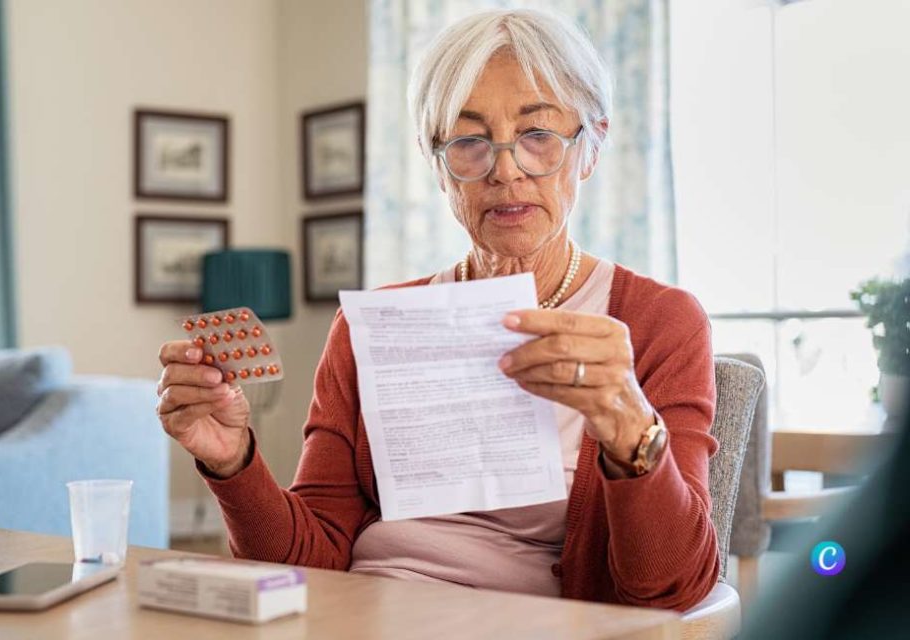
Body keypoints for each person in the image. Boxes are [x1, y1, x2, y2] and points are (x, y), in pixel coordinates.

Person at [156, 9, 719, 611]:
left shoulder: (660, 324)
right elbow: (308, 564)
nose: (506, 170)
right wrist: (233, 462)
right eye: (470, 142)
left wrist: (631, 426)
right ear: (437, 163)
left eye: (538, 136)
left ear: (591, 148)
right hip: (361, 615)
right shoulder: (369, 327)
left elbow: (673, 589)